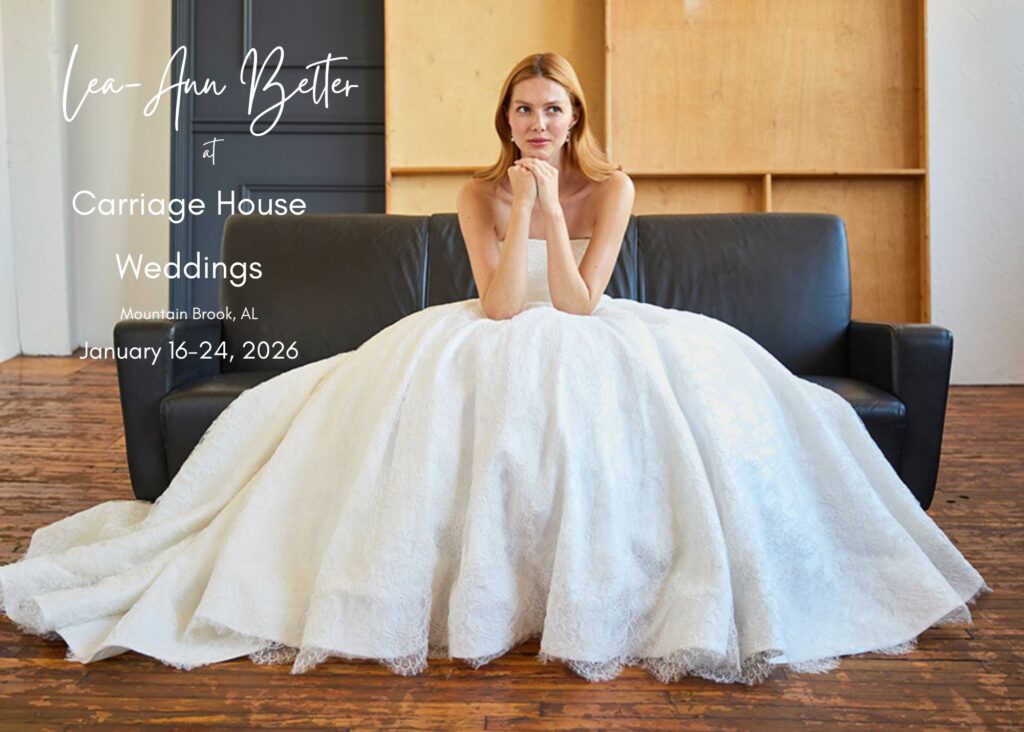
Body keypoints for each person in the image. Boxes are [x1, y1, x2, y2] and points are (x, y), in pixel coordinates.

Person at [0, 52, 988, 686]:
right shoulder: (478, 192)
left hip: (592, 318)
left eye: (553, 110)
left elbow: (582, 301)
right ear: (506, 118)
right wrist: (517, 208)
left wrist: (556, 211)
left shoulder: (613, 186)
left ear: (574, 115)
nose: (538, 126)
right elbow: (507, 305)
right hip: (491, 322)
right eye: (524, 111)